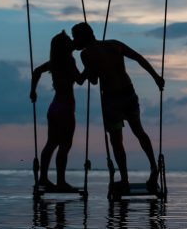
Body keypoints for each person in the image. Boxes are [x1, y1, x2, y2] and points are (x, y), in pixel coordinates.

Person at [71, 22, 165, 191]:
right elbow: (138, 58)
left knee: (116, 141)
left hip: (112, 99)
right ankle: (153, 166)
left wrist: (84, 68)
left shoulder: (86, 54)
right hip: (129, 93)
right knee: (139, 131)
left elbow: (93, 80)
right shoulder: (114, 44)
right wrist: (156, 77)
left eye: (75, 38)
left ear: (82, 38)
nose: (74, 41)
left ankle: (124, 179)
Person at [30, 31, 84, 191]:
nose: (72, 41)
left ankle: (43, 178)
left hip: (54, 108)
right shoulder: (69, 60)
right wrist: (91, 68)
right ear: (64, 46)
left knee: (51, 144)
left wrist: (33, 91)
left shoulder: (54, 62)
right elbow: (80, 80)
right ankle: (61, 181)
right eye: (69, 40)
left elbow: (36, 72)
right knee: (65, 145)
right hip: (66, 109)